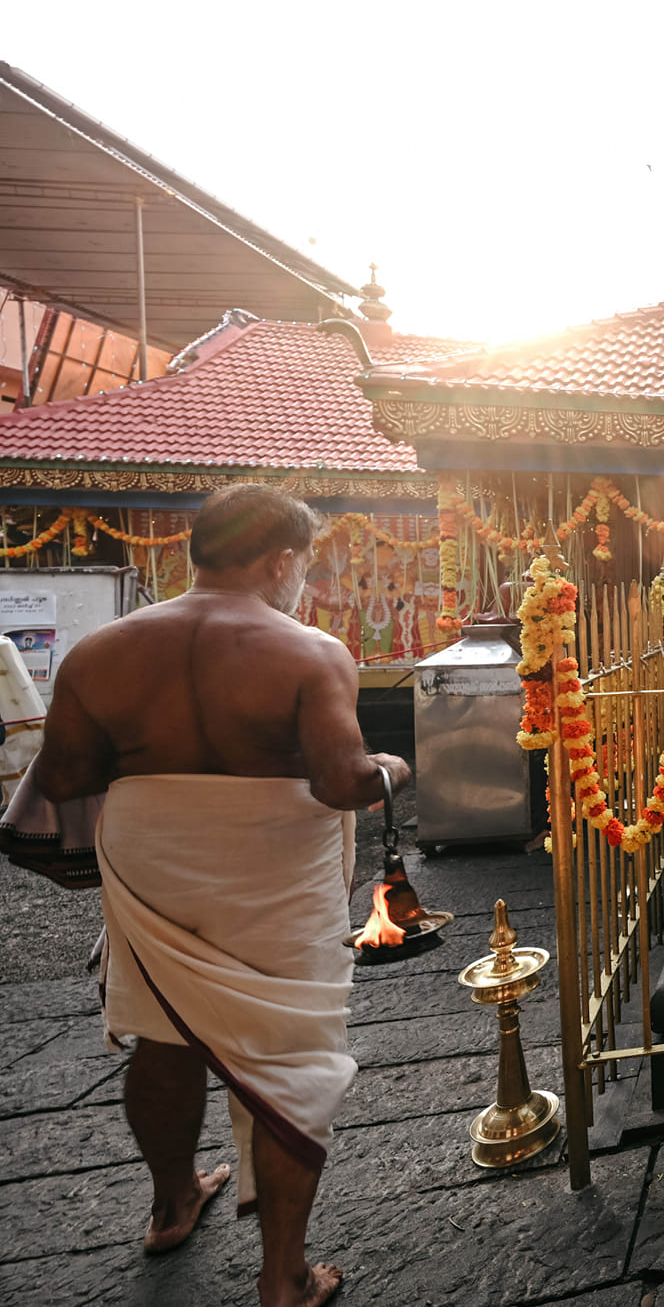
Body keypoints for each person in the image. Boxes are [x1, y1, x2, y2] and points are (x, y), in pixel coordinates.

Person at [37, 484, 411, 1307]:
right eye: (303, 566)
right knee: (291, 1060)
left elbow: (61, 777)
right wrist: (394, 768)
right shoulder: (311, 652)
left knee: (159, 1032)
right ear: (280, 560)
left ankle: (173, 1203)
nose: (301, 583)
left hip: (151, 854)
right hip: (273, 862)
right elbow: (342, 781)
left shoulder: (101, 651)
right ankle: (283, 1277)